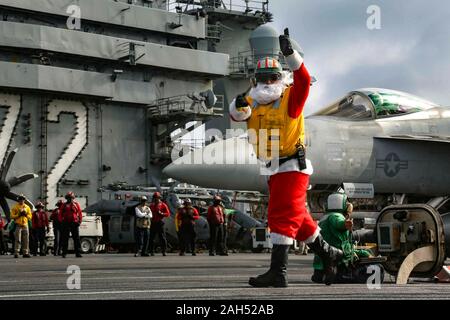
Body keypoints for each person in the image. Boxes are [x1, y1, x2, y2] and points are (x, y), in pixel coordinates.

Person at [229, 28, 343, 287]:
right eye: (262, 79)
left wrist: (290, 54)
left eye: (272, 77)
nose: (268, 83)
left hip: (292, 165)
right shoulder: (252, 101)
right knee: (299, 220)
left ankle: (278, 273)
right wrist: (236, 105)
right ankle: (330, 254)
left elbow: (302, 80)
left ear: (280, 77)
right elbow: (236, 116)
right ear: (255, 80)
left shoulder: (291, 98)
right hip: (273, 168)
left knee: (280, 216)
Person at [311, 193, 384, 284]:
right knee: (371, 260)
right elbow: (338, 223)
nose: (349, 206)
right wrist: (345, 224)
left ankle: (321, 275)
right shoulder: (336, 216)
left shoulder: (324, 218)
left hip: (324, 256)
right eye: (346, 203)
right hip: (339, 256)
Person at [60, 192, 83, 258]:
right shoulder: (64, 205)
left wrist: (79, 221)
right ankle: (64, 253)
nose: (70, 199)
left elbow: (80, 213)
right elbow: (60, 214)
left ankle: (78, 253)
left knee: (76, 239)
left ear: (73, 198)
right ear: (67, 198)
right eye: (69, 198)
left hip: (74, 223)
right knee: (65, 238)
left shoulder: (76, 204)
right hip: (66, 223)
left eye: (71, 198)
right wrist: (62, 221)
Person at [149, 192, 170, 256]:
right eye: (154, 198)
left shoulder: (163, 205)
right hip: (153, 223)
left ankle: (164, 251)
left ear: (159, 198)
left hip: (160, 223)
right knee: (152, 238)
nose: (155, 199)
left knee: (162, 237)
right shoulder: (151, 205)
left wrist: (162, 213)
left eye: (157, 198)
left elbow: (168, 214)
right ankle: (151, 251)